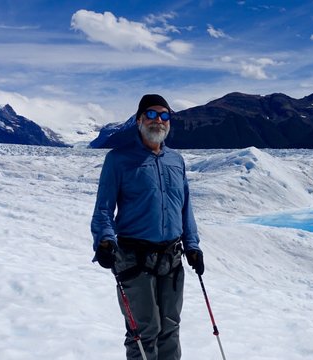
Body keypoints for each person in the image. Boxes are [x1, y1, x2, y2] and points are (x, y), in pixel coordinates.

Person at [91, 94, 204, 360]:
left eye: (164, 116)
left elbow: (184, 207)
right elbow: (104, 208)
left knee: (170, 328)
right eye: (151, 115)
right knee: (144, 331)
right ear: (139, 120)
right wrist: (105, 240)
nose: (158, 121)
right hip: (133, 258)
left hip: (171, 257)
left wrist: (193, 246)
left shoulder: (176, 161)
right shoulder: (119, 159)